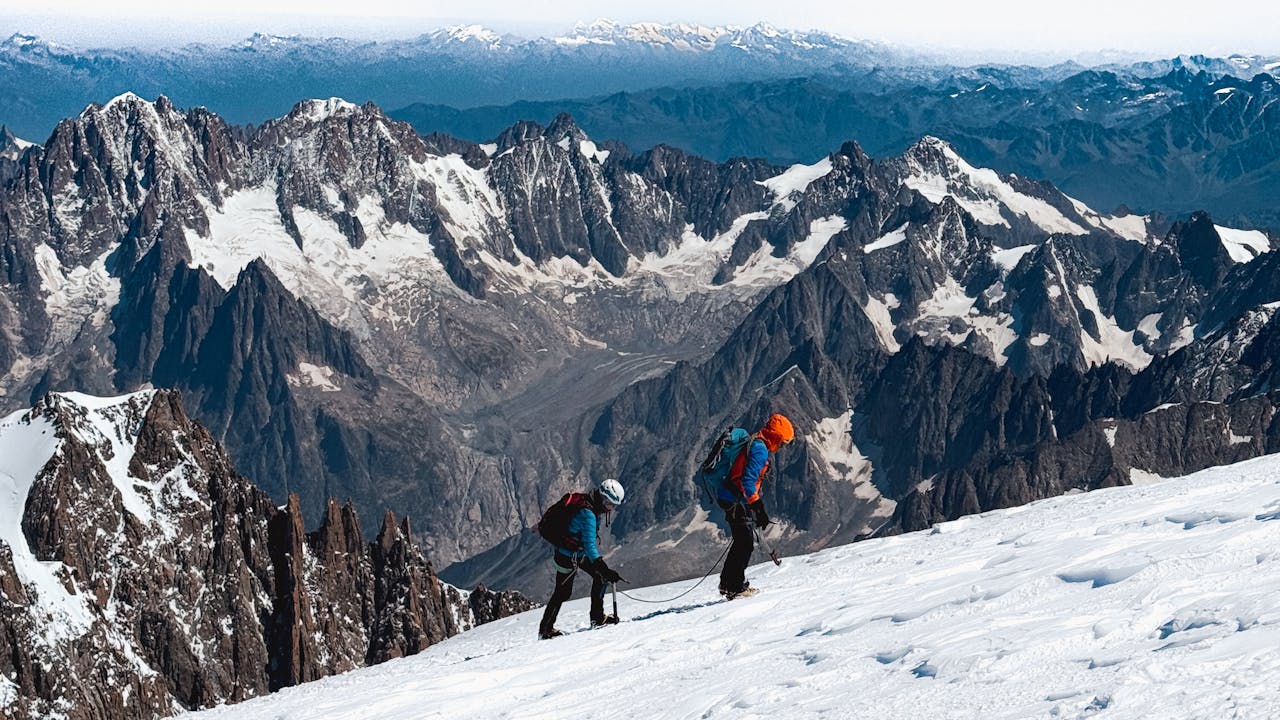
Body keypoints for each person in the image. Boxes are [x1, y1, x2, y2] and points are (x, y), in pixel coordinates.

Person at [716, 413, 794, 598]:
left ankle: (729, 583)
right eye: (782, 442)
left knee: (742, 541)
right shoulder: (760, 450)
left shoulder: (757, 440)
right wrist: (758, 507)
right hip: (734, 499)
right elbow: (748, 482)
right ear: (776, 437)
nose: (782, 447)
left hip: (731, 496)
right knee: (745, 543)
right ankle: (734, 586)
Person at [538, 478, 626, 639]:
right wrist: (604, 568)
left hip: (573, 553)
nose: (611, 509)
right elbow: (590, 546)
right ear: (604, 499)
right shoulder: (588, 515)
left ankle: (597, 618)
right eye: (611, 505)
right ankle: (545, 630)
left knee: (598, 577)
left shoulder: (589, 504)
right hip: (567, 555)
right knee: (562, 592)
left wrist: (603, 570)